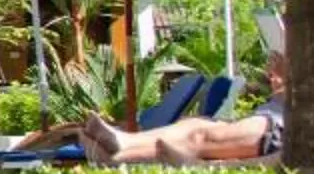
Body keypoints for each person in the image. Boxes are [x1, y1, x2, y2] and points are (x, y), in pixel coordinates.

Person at [78, 46, 285, 167]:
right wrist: (281, 76)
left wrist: (286, 74)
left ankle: (119, 155)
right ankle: (124, 144)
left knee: (200, 137)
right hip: (273, 115)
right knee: (194, 123)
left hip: (282, 124)